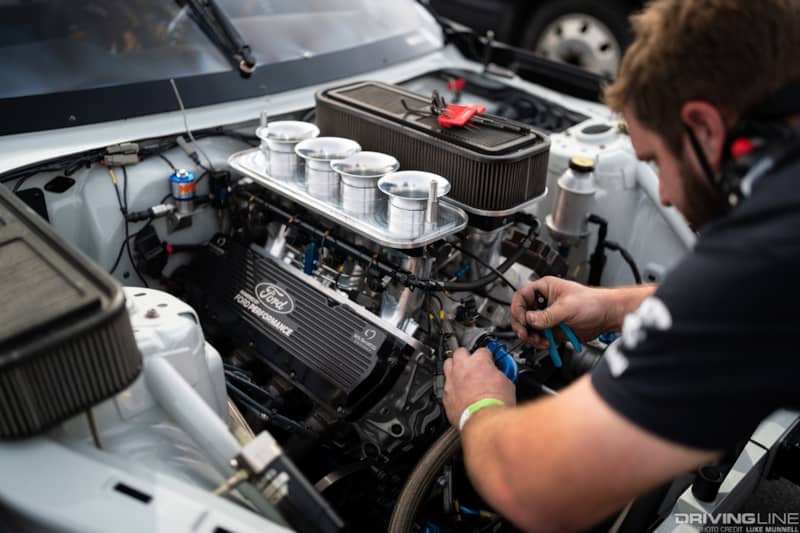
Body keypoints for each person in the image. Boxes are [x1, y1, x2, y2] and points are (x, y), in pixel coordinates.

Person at [442, 0, 800, 530]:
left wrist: (479, 407)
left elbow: (537, 485)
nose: (669, 196)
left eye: (655, 161)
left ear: (703, 127)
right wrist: (610, 305)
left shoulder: (767, 251)